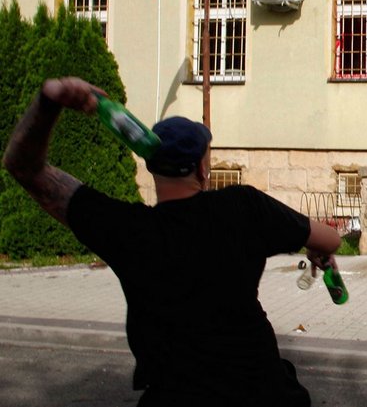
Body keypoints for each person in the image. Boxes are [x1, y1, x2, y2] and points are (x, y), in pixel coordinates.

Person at [2, 77, 341, 406]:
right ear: (202, 168)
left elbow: (23, 167)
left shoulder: (126, 230)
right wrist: (315, 247)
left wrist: (50, 100)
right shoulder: (243, 206)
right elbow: (331, 239)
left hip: (173, 394)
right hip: (263, 390)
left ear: (150, 165)